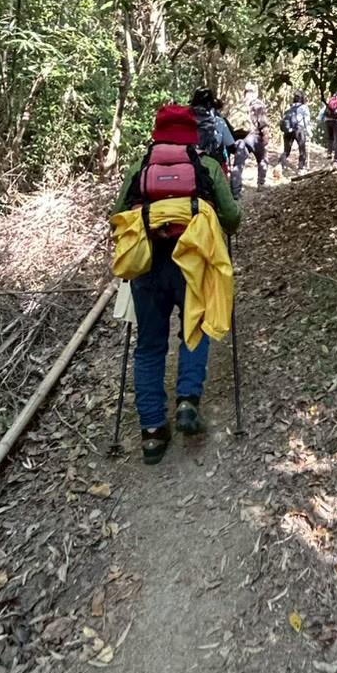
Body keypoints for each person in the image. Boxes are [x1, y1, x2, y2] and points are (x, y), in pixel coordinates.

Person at [114, 104, 241, 463]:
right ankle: (187, 402)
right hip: (192, 265)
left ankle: (152, 432)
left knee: (149, 347)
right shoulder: (207, 167)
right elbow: (232, 219)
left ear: (156, 134)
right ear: (192, 135)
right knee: (193, 330)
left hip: (147, 267)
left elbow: (117, 216)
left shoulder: (139, 169)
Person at [190, 88, 236, 169]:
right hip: (211, 165)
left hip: (190, 164)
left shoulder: (185, 121)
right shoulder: (219, 121)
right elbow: (231, 145)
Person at [232, 99, 271, 194]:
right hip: (255, 137)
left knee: (238, 164)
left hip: (241, 138)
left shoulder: (240, 105)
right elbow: (263, 123)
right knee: (262, 159)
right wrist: (266, 136)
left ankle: (235, 190)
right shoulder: (258, 106)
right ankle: (261, 184)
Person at [280, 89, 310, 174]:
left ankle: (280, 166)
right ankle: (301, 168)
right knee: (302, 149)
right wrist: (309, 132)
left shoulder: (289, 106)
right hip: (298, 130)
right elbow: (306, 121)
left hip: (288, 130)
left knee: (286, 150)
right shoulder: (304, 107)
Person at [319, 85, 337, 165]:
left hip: (328, 120)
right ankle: (336, 158)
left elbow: (323, 110)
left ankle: (329, 153)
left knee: (330, 138)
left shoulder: (332, 98)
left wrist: (321, 118)